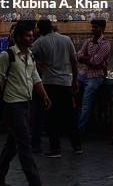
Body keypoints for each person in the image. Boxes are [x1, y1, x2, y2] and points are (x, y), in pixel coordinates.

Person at [0, 20, 51, 186]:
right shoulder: (6, 56)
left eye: (32, 35)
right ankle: (35, 184)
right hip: (12, 105)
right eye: (27, 35)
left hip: (26, 104)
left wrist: (45, 96)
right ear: (18, 37)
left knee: (12, 144)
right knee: (24, 144)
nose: (31, 38)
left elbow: (35, 77)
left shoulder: (30, 55)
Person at [32, 19, 81, 157]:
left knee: (51, 117)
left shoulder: (39, 42)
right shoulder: (66, 39)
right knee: (70, 115)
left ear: (40, 29)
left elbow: (28, 56)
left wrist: (39, 63)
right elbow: (74, 62)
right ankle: (76, 145)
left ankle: (55, 149)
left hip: (49, 82)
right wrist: (75, 80)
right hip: (66, 81)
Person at [77, 19, 111, 132]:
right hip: (84, 73)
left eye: (95, 27)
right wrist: (88, 59)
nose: (93, 29)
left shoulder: (106, 44)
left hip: (96, 76)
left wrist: (85, 59)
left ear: (102, 28)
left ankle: (79, 130)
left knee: (86, 104)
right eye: (92, 27)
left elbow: (95, 61)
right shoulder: (88, 41)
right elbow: (78, 56)